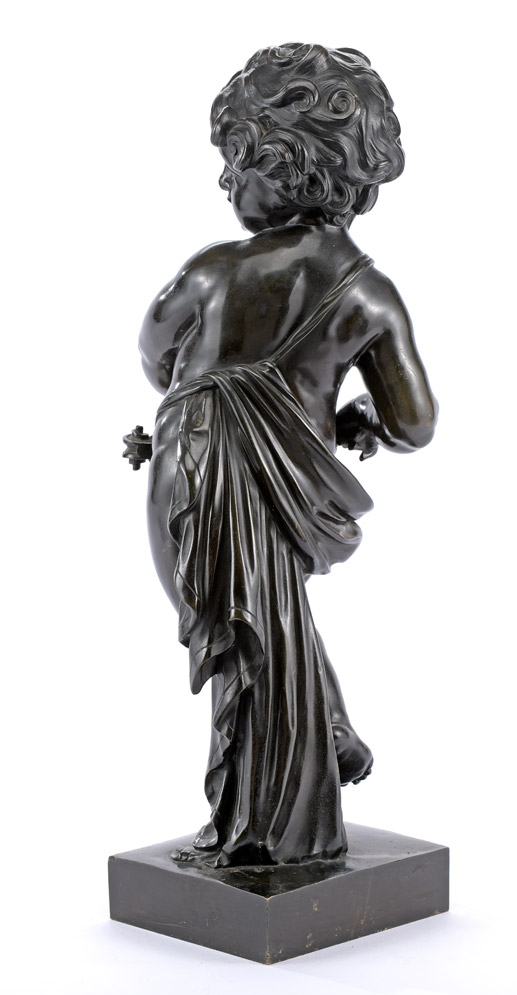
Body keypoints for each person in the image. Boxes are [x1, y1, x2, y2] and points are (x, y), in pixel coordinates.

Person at [139, 44, 438, 867]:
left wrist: (205, 388)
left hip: (192, 466)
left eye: (234, 163)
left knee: (236, 627)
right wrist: (356, 419)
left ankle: (270, 816)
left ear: (282, 165)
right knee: (265, 615)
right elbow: (414, 422)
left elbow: (154, 352)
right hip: (284, 481)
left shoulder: (211, 272)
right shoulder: (370, 294)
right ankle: (320, 736)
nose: (224, 183)